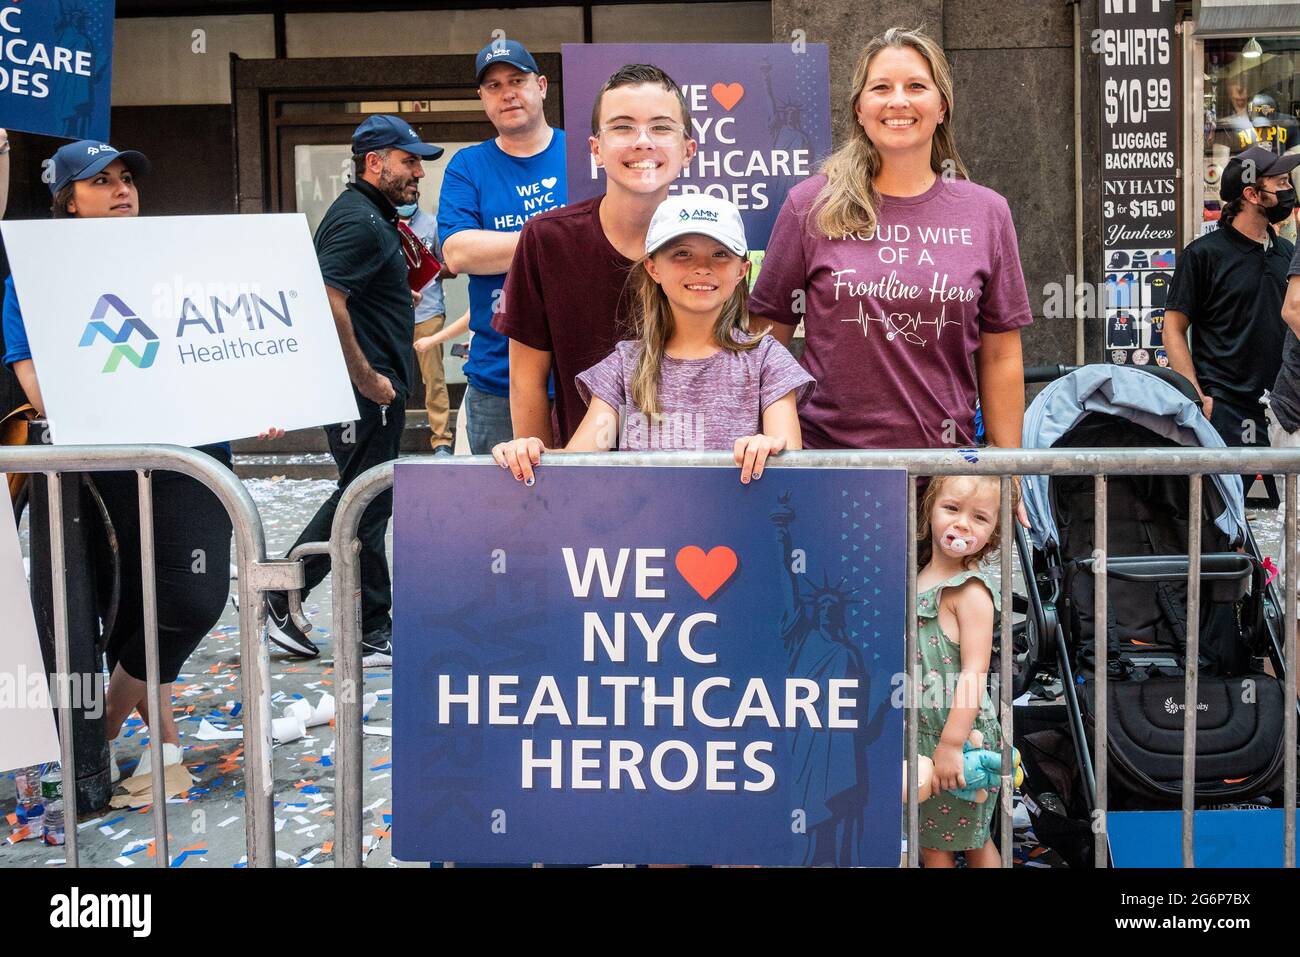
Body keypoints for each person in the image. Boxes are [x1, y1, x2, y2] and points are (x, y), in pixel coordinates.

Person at [1, 140, 264, 768]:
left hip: (192, 454)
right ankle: (163, 746)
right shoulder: (33, 280)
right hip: (102, 465)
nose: (122, 189)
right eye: (101, 182)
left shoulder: (177, 261)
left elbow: (229, 344)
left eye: (126, 179)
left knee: (192, 596)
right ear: (67, 202)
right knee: (126, 606)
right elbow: (38, 388)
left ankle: (99, 735)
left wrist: (258, 392)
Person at [747, 28, 1031, 461]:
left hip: (947, 472)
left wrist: (1008, 471)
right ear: (860, 109)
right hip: (828, 463)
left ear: (942, 107)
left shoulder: (987, 212)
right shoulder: (810, 205)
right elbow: (765, 338)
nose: (898, 100)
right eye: (880, 87)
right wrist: (770, 440)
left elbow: (1000, 356)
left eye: (916, 86)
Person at [265, 115, 443, 665]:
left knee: (367, 499)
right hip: (363, 391)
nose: (418, 172)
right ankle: (283, 594)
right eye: (409, 160)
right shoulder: (359, 219)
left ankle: (367, 628)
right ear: (374, 162)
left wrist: (395, 299)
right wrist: (366, 377)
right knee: (362, 498)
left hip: (374, 388)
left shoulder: (374, 216)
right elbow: (326, 297)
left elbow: (354, 293)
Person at [492, 195, 812, 482]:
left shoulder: (767, 360)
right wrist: (529, 452)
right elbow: (580, 465)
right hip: (645, 541)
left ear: (742, 271)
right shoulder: (624, 365)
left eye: (719, 254)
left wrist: (769, 450)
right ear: (653, 268)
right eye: (682, 254)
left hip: (737, 541)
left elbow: (789, 463)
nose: (702, 268)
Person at [494, 63, 697, 448]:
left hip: (693, 473)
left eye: (661, 127)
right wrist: (544, 487)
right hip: (585, 473)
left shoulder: (712, 244)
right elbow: (526, 379)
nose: (643, 141)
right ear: (596, 149)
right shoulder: (547, 240)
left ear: (688, 150)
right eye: (622, 127)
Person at [437, 39, 567, 453]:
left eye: (517, 80)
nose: (507, 92)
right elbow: (458, 252)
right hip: (497, 377)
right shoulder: (468, 166)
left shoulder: (584, 155)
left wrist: (502, 246)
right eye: (493, 86)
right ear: (482, 98)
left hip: (585, 375)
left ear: (542, 86)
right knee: (505, 514)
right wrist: (557, 237)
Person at [1163, 145, 1299, 507]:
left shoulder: (1286, 253)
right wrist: (1196, 396)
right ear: (1251, 194)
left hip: (1282, 409)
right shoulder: (1203, 254)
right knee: (1232, 517)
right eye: (1281, 181)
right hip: (1226, 410)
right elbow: (1173, 329)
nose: (1288, 189)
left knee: (1282, 518)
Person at [914, 474, 1014, 868]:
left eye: (979, 518)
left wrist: (951, 745)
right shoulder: (919, 577)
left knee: (968, 839)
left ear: (991, 536)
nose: (962, 524)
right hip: (923, 732)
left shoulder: (970, 591)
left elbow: (975, 672)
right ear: (930, 513)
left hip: (960, 736)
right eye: (952, 509)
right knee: (931, 838)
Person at [397, 198, 454, 454]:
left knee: (434, 380)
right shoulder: (388, 224)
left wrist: (425, 268)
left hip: (428, 311)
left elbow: (452, 266)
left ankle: (441, 440)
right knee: (390, 381)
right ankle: (390, 439)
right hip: (395, 314)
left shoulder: (432, 225)